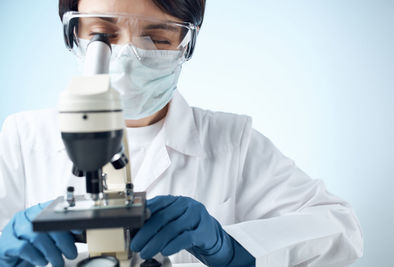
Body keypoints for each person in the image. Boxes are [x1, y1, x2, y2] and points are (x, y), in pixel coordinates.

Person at [0, 0, 363, 266]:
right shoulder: (22, 138)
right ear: (72, 33)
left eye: (157, 39)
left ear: (186, 43)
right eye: (101, 35)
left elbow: (341, 233)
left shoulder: (231, 141)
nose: (126, 58)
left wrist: (230, 248)